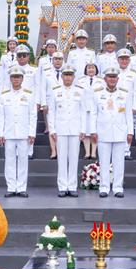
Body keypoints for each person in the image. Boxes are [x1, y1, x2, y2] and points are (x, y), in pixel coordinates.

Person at [91, 66, 132, 198]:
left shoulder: (125, 92)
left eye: (114, 77)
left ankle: (118, 187)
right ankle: (104, 187)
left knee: (119, 162)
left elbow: (129, 114)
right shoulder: (97, 93)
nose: (112, 79)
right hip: (103, 131)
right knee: (103, 161)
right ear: (105, 78)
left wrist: (130, 131)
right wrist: (93, 130)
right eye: (109, 77)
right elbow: (93, 113)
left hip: (120, 131)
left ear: (118, 79)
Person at [47, 64, 86, 197]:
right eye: (66, 75)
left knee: (74, 158)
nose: (68, 77)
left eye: (70, 75)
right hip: (61, 129)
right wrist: (52, 129)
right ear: (62, 76)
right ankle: (63, 186)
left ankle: (72, 186)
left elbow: (83, 111)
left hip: (75, 129)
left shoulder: (80, 90)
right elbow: (51, 111)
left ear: (74, 77)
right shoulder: (55, 90)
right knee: (62, 159)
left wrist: (83, 129)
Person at [0, 66, 37, 198]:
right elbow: (1, 115)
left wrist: (32, 133)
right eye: (14, 77)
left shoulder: (29, 94)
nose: (16, 79)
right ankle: (11, 187)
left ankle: (21, 187)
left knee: (23, 161)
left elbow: (33, 114)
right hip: (8, 133)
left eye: (18, 77)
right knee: (9, 161)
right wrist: (0, 133)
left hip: (23, 133)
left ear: (22, 78)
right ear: (10, 79)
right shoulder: (4, 95)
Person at [41, 51, 65, 159]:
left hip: (62, 103)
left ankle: (60, 149)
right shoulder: (46, 72)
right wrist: (43, 103)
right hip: (50, 101)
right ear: (53, 60)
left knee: (60, 127)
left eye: (60, 59)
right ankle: (53, 151)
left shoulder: (67, 72)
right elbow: (42, 88)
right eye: (56, 59)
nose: (58, 61)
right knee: (51, 126)